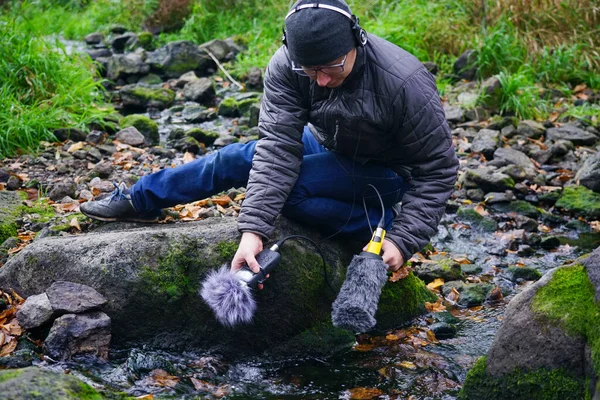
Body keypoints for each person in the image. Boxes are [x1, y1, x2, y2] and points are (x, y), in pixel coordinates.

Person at [81, 0, 458, 278]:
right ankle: (141, 198)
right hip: (330, 145)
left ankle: (378, 222)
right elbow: (277, 148)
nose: (322, 80)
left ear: (355, 43)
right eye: (311, 71)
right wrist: (252, 231)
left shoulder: (403, 82)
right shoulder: (287, 66)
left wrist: (402, 240)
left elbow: (438, 170)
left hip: (388, 172)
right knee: (236, 157)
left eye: (331, 68)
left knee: (293, 195)